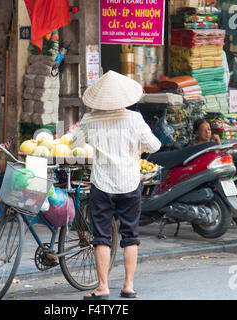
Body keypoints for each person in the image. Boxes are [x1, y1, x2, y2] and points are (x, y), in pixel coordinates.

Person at [71, 71, 161, 300]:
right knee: (131, 235)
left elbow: (73, 144)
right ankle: (128, 286)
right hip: (130, 183)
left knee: (101, 237)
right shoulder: (134, 119)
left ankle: (102, 287)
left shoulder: (90, 120)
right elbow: (154, 145)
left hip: (102, 184)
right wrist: (136, 149)